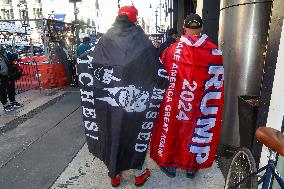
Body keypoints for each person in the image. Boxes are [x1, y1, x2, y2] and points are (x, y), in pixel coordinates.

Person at [77, 6, 168, 187]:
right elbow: (155, 67)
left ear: (118, 17)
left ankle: (114, 174)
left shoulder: (106, 38)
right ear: (135, 19)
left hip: (111, 105)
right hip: (135, 102)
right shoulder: (141, 40)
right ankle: (139, 174)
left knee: (111, 132)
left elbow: (91, 60)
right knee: (136, 134)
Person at [150, 13, 224, 178]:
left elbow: (161, 76)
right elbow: (217, 85)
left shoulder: (172, 50)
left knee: (172, 130)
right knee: (194, 132)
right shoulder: (214, 52)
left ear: (184, 28)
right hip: (199, 105)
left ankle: (170, 165)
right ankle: (191, 166)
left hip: (175, 104)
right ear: (202, 28)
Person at [0, 45, 24, 112]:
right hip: (1, 76)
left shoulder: (5, 52)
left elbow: (13, 56)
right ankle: (5, 105)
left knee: (11, 88)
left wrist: (16, 57)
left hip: (9, 74)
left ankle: (13, 102)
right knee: (2, 91)